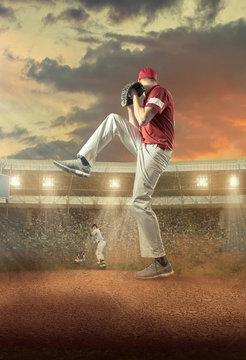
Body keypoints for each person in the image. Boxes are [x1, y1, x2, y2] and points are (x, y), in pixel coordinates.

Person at [54, 67, 175, 279]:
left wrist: (136, 97)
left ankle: (161, 262)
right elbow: (135, 125)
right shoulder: (144, 99)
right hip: (145, 145)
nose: (140, 90)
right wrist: (130, 105)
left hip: (157, 149)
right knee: (112, 119)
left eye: (141, 87)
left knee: (139, 202)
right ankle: (84, 162)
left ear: (146, 82)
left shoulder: (158, 91)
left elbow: (145, 118)